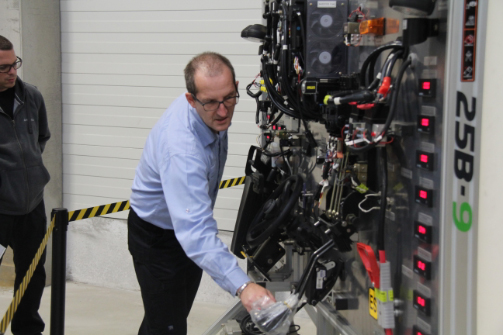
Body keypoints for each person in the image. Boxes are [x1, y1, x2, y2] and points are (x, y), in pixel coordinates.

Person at [128, 52, 275, 335]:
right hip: (157, 238)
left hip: (182, 227)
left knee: (169, 316)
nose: (222, 111)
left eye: (229, 98)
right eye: (210, 102)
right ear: (190, 99)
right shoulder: (182, 149)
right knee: (168, 326)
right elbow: (195, 231)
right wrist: (243, 286)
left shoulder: (212, 107)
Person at [0, 35, 51, 335]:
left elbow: (40, 139)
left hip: (32, 206)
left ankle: (27, 330)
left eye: (14, 64)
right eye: (4, 67)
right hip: (0, 211)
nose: (12, 72)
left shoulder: (32, 96)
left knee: (32, 274)